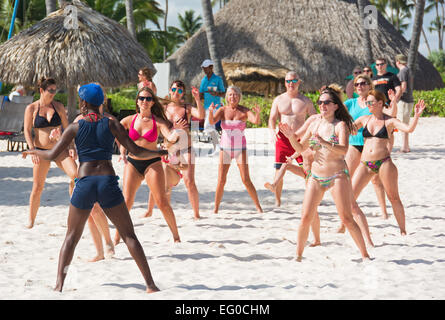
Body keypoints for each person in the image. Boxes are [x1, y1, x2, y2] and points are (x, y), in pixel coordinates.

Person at [22, 83, 164, 293]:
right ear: (100, 103)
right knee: (129, 235)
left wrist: (32, 151)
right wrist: (160, 153)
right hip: (107, 183)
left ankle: (59, 285)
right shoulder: (111, 123)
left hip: (85, 183)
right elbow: (135, 150)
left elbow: (52, 155)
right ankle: (150, 285)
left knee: (71, 237)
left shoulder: (75, 126)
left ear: (84, 102)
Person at [279, 86, 371, 262]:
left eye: (327, 102)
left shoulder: (340, 125)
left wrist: (323, 142)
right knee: (306, 216)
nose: (322, 105)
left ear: (336, 106)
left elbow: (343, 150)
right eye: (320, 102)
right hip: (316, 176)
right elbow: (300, 148)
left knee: (346, 218)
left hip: (337, 175)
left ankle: (365, 255)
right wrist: (291, 137)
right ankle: (297, 256)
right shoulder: (314, 123)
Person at [114, 87, 184, 244]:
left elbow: (170, 136)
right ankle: (117, 238)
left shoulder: (157, 122)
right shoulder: (129, 120)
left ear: (153, 103)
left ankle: (176, 237)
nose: (144, 101)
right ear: (137, 101)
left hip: (152, 163)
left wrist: (176, 132)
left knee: (162, 202)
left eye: (148, 99)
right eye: (142, 98)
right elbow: (117, 133)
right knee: (126, 202)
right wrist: (122, 150)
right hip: (132, 162)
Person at [350, 90, 425, 236]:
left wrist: (416, 116)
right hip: (365, 163)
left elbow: (409, 129)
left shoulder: (389, 121)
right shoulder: (364, 119)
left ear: (379, 103)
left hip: (384, 162)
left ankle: (403, 230)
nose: (368, 105)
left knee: (394, 197)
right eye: (367, 102)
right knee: (350, 197)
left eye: (370, 102)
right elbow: (349, 130)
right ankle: (344, 225)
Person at [23, 78, 78, 229]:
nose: (54, 93)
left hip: (59, 149)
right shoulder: (31, 109)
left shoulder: (59, 106)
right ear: (41, 90)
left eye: (55, 90)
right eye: (51, 90)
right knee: (38, 187)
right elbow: (27, 131)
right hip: (41, 151)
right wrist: (32, 149)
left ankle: (74, 215)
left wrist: (71, 146)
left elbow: (68, 129)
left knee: (76, 176)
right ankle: (31, 219)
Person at [145, 80, 204, 219]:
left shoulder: (186, 108)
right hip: (169, 149)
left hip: (185, 149)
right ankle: (149, 210)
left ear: (183, 93)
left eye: (179, 91)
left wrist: (197, 99)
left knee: (189, 181)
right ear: (170, 90)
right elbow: (149, 106)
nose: (176, 93)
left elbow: (201, 115)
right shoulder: (163, 108)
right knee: (158, 180)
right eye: (174, 90)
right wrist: (151, 89)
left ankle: (196, 214)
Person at [208, 86, 263, 214]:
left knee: (246, 179)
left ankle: (258, 206)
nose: (233, 97)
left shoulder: (244, 111)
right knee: (221, 180)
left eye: (235, 95)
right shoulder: (222, 110)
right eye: (230, 95)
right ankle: (215, 208)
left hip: (240, 149)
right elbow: (212, 121)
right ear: (227, 97)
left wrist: (258, 113)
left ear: (239, 96)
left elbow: (255, 121)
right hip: (225, 149)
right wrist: (210, 111)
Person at [268, 71, 317, 206]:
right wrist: (272, 132)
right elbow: (272, 118)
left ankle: (312, 198)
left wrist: (312, 137)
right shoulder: (278, 100)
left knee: (307, 169)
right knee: (279, 169)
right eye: (288, 81)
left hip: (300, 138)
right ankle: (277, 201)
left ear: (299, 82)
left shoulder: (305, 101)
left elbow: (315, 119)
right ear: (285, 83)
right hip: (283, 138)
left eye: (294, 81)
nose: (291, 84)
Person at [199, 59, 225, 154]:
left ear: (211, 67)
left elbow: (223, 93)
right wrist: (198, 95)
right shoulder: (203, 80)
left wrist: (216, 93)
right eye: (203, 68)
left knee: (207, 126)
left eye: (206, 68)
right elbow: (201, 94)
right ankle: (217, 148)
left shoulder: (218, 79)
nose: (205, 70)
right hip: (206, 108)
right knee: (210, 127)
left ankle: (218, 146)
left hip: (215, 108)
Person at [395, 54, 415, 153]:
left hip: (404, 100)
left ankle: (404, 147)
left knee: (403, 124)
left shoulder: (403, 71)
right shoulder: (408, 70)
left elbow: (403, 86)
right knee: (406, 124)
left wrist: (396, 99)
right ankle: (406, 146)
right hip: (409, 99)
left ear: (397, 62)